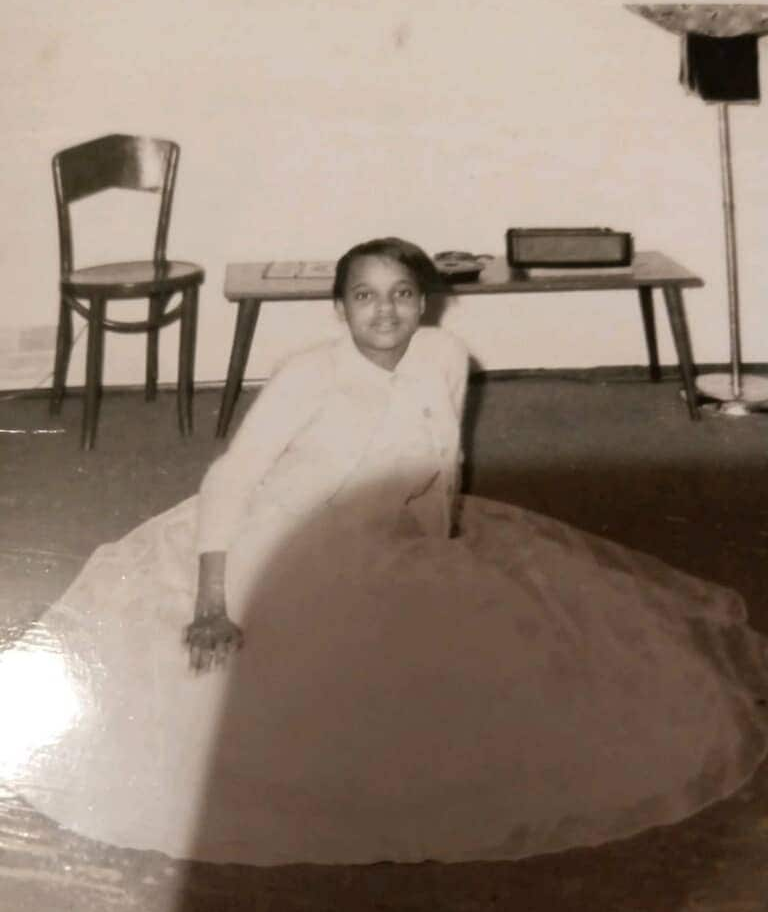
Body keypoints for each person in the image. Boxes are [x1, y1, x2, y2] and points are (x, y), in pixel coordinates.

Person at [10, 237, 768, 867]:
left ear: (425, 302)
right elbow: (231, 479)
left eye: (402, 294)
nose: (386, 311)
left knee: (513, 643)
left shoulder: (445, 355)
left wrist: (440, 549)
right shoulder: (309, 375)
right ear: (340, 309)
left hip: (391, 535)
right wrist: (213, 601)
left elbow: (446, 453)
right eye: (366, 296)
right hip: (274, 539)